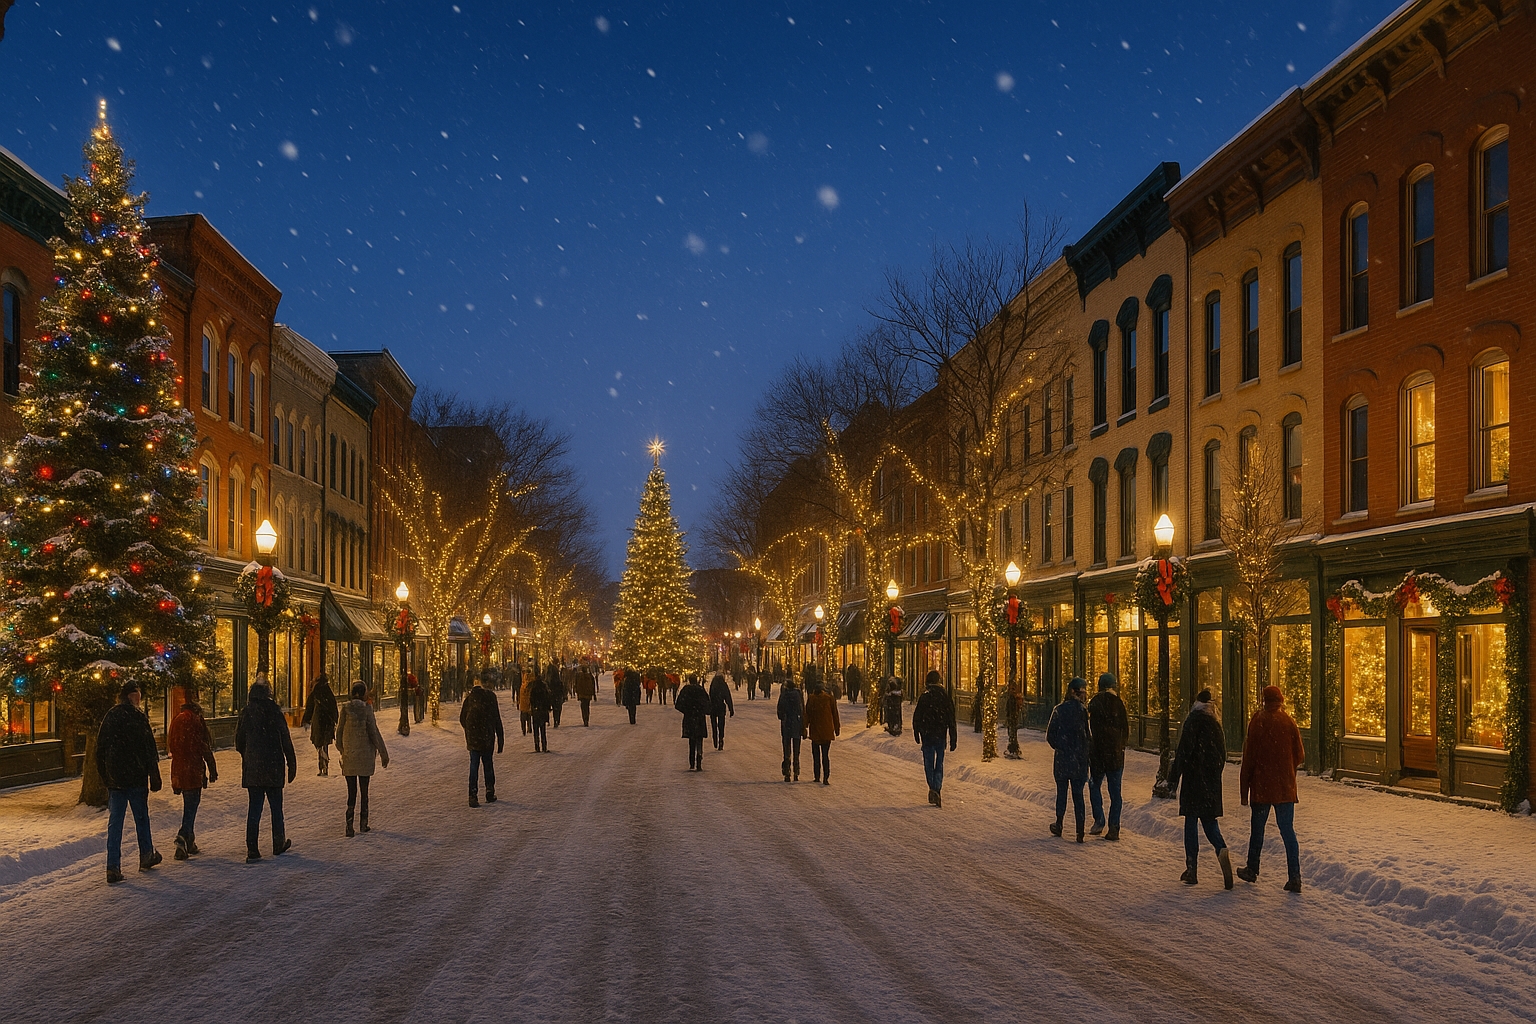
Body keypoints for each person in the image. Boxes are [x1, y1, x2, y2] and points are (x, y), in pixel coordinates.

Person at [1238, 685, 1306, 893]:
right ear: (1280, 699)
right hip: (1285, 788)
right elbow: (1300, 755)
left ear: (1264, 700)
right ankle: (1294, 877)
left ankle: (1252, 868)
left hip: (1262, 787)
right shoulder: (1288, 721)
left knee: (1257, 831)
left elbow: (1249, 759)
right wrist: (1285, 769)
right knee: (1288, 831)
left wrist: (1244, 790)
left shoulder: (1258, 721)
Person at [96, 681, 163, 884]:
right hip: (135, 777)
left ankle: (113, 866)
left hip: (116, 780)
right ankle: (145, 855)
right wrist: (154, 775)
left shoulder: (111, 716)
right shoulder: (138, 717)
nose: (140, 699)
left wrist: (106, 776)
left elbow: (100, 749)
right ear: (132, 696)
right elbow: (150, 749)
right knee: (141, 818)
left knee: (115, 824)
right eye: (138, 695)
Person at [1167, 688, 1234, 888]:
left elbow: (1183, 752)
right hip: (1211, 783)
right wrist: (1213, 776)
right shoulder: (1215, 724)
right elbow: (1223, 756)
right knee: (1209, 821)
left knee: (1191, 822)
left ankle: (1192, 868)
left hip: (1193, 781)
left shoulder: (1192, 721)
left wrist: (1173, 779)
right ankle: (1221, 848)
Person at [234, 677, 297, 862]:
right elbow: (285, 737)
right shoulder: (274, 711)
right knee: (276, 807)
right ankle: (278, 843)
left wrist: (249, 755)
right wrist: (291, 761)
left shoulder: (246, 713)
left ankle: (252, 849)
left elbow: (239, 741)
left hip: (253, 769)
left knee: (254, 808)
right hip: (273, 767)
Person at [167, 687, 218, 861]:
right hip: (193, 768)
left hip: (179, 768)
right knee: (191, 804)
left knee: (189, 803)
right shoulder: (196, 721)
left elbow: (171, 745)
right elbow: (203, 745)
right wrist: (212, 767)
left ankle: (190, 841)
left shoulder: (176, 720)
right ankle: (182, 838)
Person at [336, 681, 389, 836]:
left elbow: (339, 733)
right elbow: (374, 732)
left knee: (351, 792)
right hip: (365, 756)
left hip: (350, 757)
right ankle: (363, 823)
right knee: (364, 791)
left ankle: (349, 824)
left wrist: (343, 750)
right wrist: (383, 753)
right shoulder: (367, 710)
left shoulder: (345, 709)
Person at [1046, 677, 1091, 842]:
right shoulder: (1082, 711)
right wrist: (1084, 754)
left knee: (1062, 793)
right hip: (1078, 760)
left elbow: (1050, 735)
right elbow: (1087, 737)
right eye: (1083, 691)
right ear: (1076, 692)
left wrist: (1061, 747)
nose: (1085, 695)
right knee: (1078, 796)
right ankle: (1080, 831)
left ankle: (1059, 823)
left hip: (1063, 760)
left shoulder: (1059, 710)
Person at [1087, 672, 1129, 841]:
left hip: (1098, 754)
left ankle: (1099, 819)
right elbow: (1125, 730)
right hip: (1115, 756)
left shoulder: (1094, 703)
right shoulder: (1119, 704)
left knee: (1093, 784)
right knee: (1115, 792)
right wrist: (1120, 746)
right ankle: (1114, 826)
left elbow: (1091, 730)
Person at [912, 671, 957, 807]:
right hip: (940, 735)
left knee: (928, 763)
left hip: (927, 735)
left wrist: (917, 732)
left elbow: (917, 717)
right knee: (939, 763)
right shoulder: (944, 697)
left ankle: (932, 787)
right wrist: (953, 737)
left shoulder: (924, 697)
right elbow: (951, 718)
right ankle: (937, 787)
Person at [460, 672, 505, 806]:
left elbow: (462, 718)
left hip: (474, 739)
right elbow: (497, 719)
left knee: (474, 766)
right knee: (488, 764)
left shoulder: (469, 699)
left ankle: (472, 795)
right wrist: (500, 738)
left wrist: (469, 731)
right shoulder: (490, 697)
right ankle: (489, 791)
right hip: (487, 737)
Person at [803, 671, 841, 786]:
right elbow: (835, 714)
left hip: (815, 731)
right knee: (825, 755)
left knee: (816, 755)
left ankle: (817, 776)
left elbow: (807, 714)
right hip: (827, 731)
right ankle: (826, 776)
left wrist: (804, 727)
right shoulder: (829, 698)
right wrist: (837, 728)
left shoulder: (812, 699)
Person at [300, 673, 338, 776]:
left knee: (319, 743)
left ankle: (322, 765)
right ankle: (324, 764)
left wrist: (306, 720)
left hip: (318, 721)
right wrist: (335, 720)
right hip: (327, 722)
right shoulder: (328, 692)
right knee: (324, 743)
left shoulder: (315, 692)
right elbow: (333, 707)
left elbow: (309, 708)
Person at [676, 673, 711, 771]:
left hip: (690, 718)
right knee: (699, 739)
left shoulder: (686, 690)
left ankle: (692, 762)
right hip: (699, 718)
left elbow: (678, 704)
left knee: (691, 740)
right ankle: (699, 759)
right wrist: (703, 711)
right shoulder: (700, 690)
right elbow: (707, 703)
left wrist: (687, 711)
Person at [776, 675, 805, 782]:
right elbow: (802, 710)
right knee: (796, 750)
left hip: (786, 725)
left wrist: (783, 717)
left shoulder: (784, 695)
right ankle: (796, 771)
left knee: (787, 749)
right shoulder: (798, 694)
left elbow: (779, 711)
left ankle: (787, 771)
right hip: (797, 724)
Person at [707, 671, 734, 750]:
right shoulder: (723, 685)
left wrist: (708, 707)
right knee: (721, 725)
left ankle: (715, 738)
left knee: (714, 724)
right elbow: (727, 697)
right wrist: (731, 708)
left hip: (713, 707)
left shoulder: (713, 684)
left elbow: (710, 696)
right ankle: (721, 739)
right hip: (721, 707)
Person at [530, 669, 552, 752]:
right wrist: (548, 708)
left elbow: (531, 699)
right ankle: (544, 746)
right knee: (543, 730)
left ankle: (537, 746)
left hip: (536, 711)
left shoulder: (533, 687)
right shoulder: (544, 687)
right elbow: (547, 699)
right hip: (542, 711)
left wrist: (533, 707)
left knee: (536, 730)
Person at [1003, 671, 1023, 759]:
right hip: (1012, 717)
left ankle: (1013, 749)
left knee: (1012, 733)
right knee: (1012, 733)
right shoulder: (1013, 697)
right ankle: (1013, 748)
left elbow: (1011, 708)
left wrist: (1010, 716)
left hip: (1012, 718)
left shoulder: (1012, 697)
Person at [547, 663, 568, 728]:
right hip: (558, 696)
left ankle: (555, 720)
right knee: (558, 709)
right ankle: (557, 720)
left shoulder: (550, 681)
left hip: (553, 696)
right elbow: (562, 688)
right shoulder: (559, 681)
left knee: (555, 708)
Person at [518, 669, 534, 736]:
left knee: (523, 718)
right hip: (528, 704)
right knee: (528, 717)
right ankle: (529, 728)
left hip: (523, 705)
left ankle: (524, 730)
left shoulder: (522, 686)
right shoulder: (531, 685)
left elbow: (520, 695)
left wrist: (518, 701)